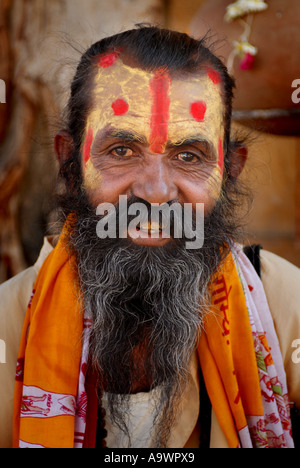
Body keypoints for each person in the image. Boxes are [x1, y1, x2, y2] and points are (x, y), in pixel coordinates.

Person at [0, 25, 299, 449]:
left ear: (230, 171)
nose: (155, 192)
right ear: (69, 161)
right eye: (122, 150)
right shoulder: (9, 323)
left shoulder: (279, 301)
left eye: (189, 156)